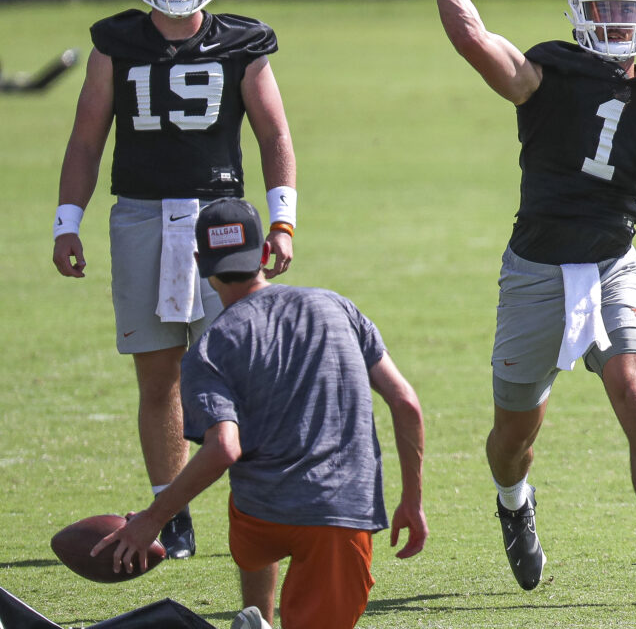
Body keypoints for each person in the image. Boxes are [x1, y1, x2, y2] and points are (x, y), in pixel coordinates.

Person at [407, 0, 636, 606]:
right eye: (599, 10)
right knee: (514, 434)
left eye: (624, 12)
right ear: (579, 15)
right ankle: (514, 501)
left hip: (611, 264)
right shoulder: (548, 74)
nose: (611, 23)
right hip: (536, 272)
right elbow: (474, 41)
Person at [52, 0, 297, 560]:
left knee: (248, 371)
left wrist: (282, 218)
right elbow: (85, 140)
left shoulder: (243, 40)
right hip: (138, 215)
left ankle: (261, 506)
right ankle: (173, 513)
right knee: (157, 378)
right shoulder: (116, 41)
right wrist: (65, 221)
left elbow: (274, 133)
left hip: (222, 220)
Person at [92, 198, 427, 629]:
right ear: (266, 255)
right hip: (339, 514)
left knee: (250, 504)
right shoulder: (337, 307)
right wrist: (412, 501)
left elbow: (224, 448)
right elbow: (406, 403)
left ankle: (257, 619)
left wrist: (154, 519)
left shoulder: (209, 350)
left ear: (199, 262)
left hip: (258, 520)